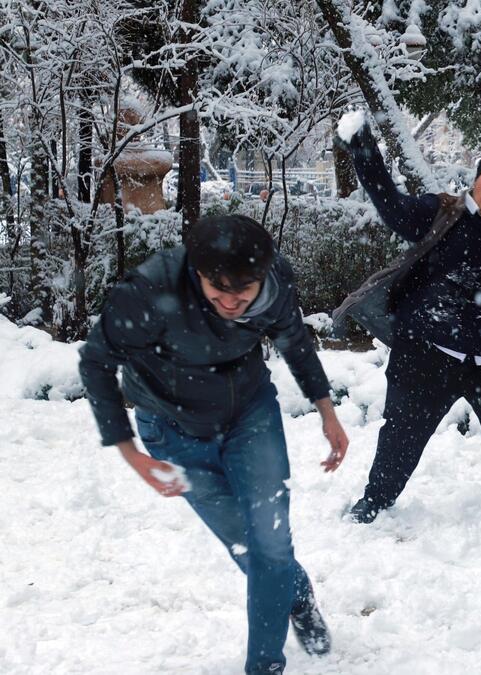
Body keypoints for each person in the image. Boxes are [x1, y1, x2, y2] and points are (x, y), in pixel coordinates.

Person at [78, 215, 350, 674]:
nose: (229, 300)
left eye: (242, 290)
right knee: (247, 543)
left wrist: (327, 410)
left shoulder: (275, 282)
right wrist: (129, 452)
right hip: (171, 428)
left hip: (250, 413)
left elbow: (294, 341)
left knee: (270, 543)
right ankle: (296, 596)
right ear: (197, 271)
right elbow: (95, 361)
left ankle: (265, 666)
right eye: (217, 288)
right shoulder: (150, 289)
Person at [333, 116, 481, 537]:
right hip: (429, 353)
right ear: (477, 179)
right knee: (402, 434)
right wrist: (363, 149)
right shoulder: (440, 213)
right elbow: (391, 204)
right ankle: (376, 498)